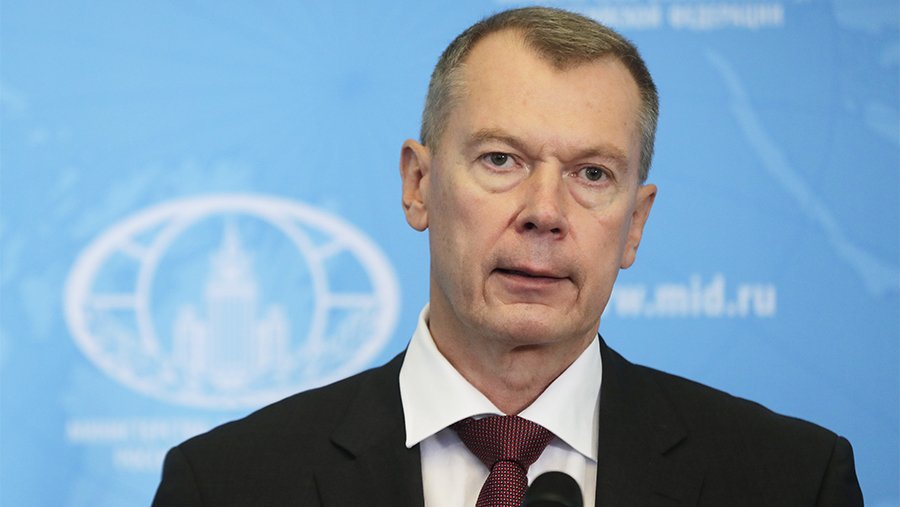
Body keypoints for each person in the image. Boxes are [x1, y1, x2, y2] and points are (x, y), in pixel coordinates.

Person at [152, 7, 863, 506]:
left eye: (592, 174)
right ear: (418, 184)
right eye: (501, 159)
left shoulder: (792, 481)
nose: (545, 212)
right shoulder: (228, 484)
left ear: (635, 224)